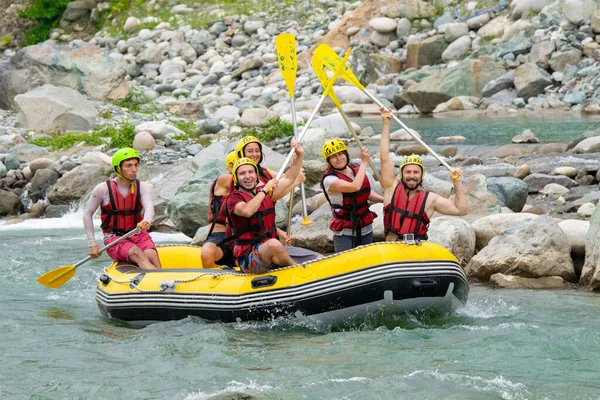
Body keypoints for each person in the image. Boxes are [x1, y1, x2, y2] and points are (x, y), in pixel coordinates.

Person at [227, 143, 318, 274]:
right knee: (273, 244)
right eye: (242, 173)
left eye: (251, 172)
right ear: (236, 177)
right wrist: (264, 189)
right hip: (249, 257)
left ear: (256, 175)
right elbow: (247, 211)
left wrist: (299, 155)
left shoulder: (262, 192)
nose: (247, 176)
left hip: (270, 249)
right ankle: (300, 273)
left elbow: (288, 177)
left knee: (318, 257)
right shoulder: (233, 199)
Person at [378, 107, 467, 241]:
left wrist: (457, 183)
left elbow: (460, 210)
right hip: (392, 248)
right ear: (401, 174)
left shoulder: (430, 199)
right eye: (408, 172)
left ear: (421, 175)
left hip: (417, 250)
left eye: (416, 172)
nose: (412, 175)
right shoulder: (391, 188)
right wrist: (386, 124)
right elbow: (384, 157)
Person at [83, 148, 161, 270]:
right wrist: (92, 244)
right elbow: (87, 214)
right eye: (128, 166)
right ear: (118, 168)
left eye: (135, 165)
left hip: (138, 234)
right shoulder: (102, 189)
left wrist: (147, 220)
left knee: (152, 256)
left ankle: (160, 285)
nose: (134, 169)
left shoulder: (142, 187)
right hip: (114, 238)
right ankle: (158, 283)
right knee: (136, 253)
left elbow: (149, 207)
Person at [320, 139, 383, 252]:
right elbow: (354, 187)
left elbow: (365, 193)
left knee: (366, 262)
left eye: (340, 154)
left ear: (346, 154)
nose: (339, 158)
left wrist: (385, 200)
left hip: (365, 226)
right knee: (346, 264)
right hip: (345, 232)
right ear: (328, 161)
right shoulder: (329, 180)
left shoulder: (356, 168)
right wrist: (364, 162)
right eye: (333, 156)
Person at [201, 150, 238, 269]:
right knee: (206, 253)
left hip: (242, 234)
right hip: (220, 235)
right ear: (231, 166)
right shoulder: (225, 179)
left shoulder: (253, 182)